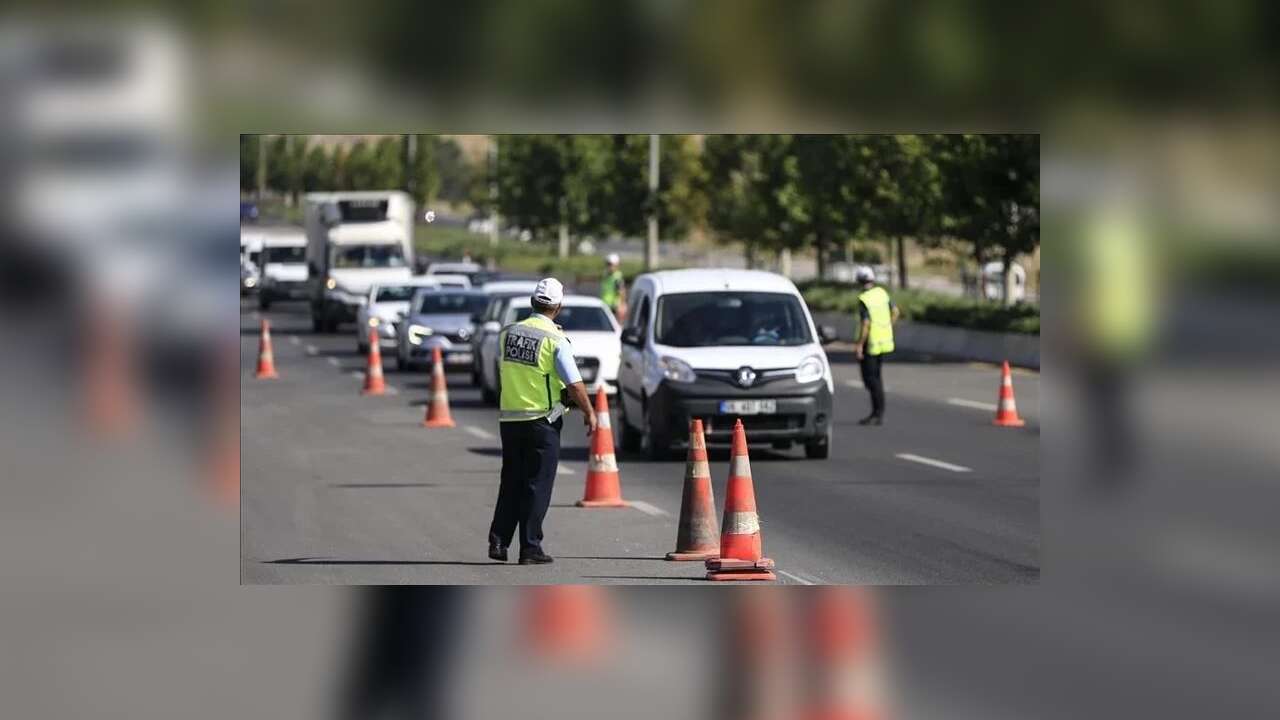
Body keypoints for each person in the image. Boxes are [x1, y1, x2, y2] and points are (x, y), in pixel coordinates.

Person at [488, 278, 597, 564]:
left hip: (509, 419)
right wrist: (589, 412)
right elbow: (574, 384)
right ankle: (530, 547)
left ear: (532, 303)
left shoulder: (508, 334)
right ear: (558, 307)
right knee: (537, 484)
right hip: (541, 421)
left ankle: (498, 542)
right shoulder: (555, 340)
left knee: (511, 480)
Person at [853, 266, 899, 425]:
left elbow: (865, 323)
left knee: (871, 379)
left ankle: (877, 413)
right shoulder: (882, 293)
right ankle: (877, 412)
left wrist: (859, 345)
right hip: (884, 342)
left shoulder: (864, 299)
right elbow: (896, 312)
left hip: (870, 343)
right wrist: (887, 327)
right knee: (877, 378)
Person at [600, 253, 627, 321]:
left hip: (614, 307)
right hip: (604, 304)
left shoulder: (617, 277)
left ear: (616, 265)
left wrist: (622, 305)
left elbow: (622, 291)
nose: (609, 267)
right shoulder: (605, 275)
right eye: (608, 264)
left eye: (611, 264)